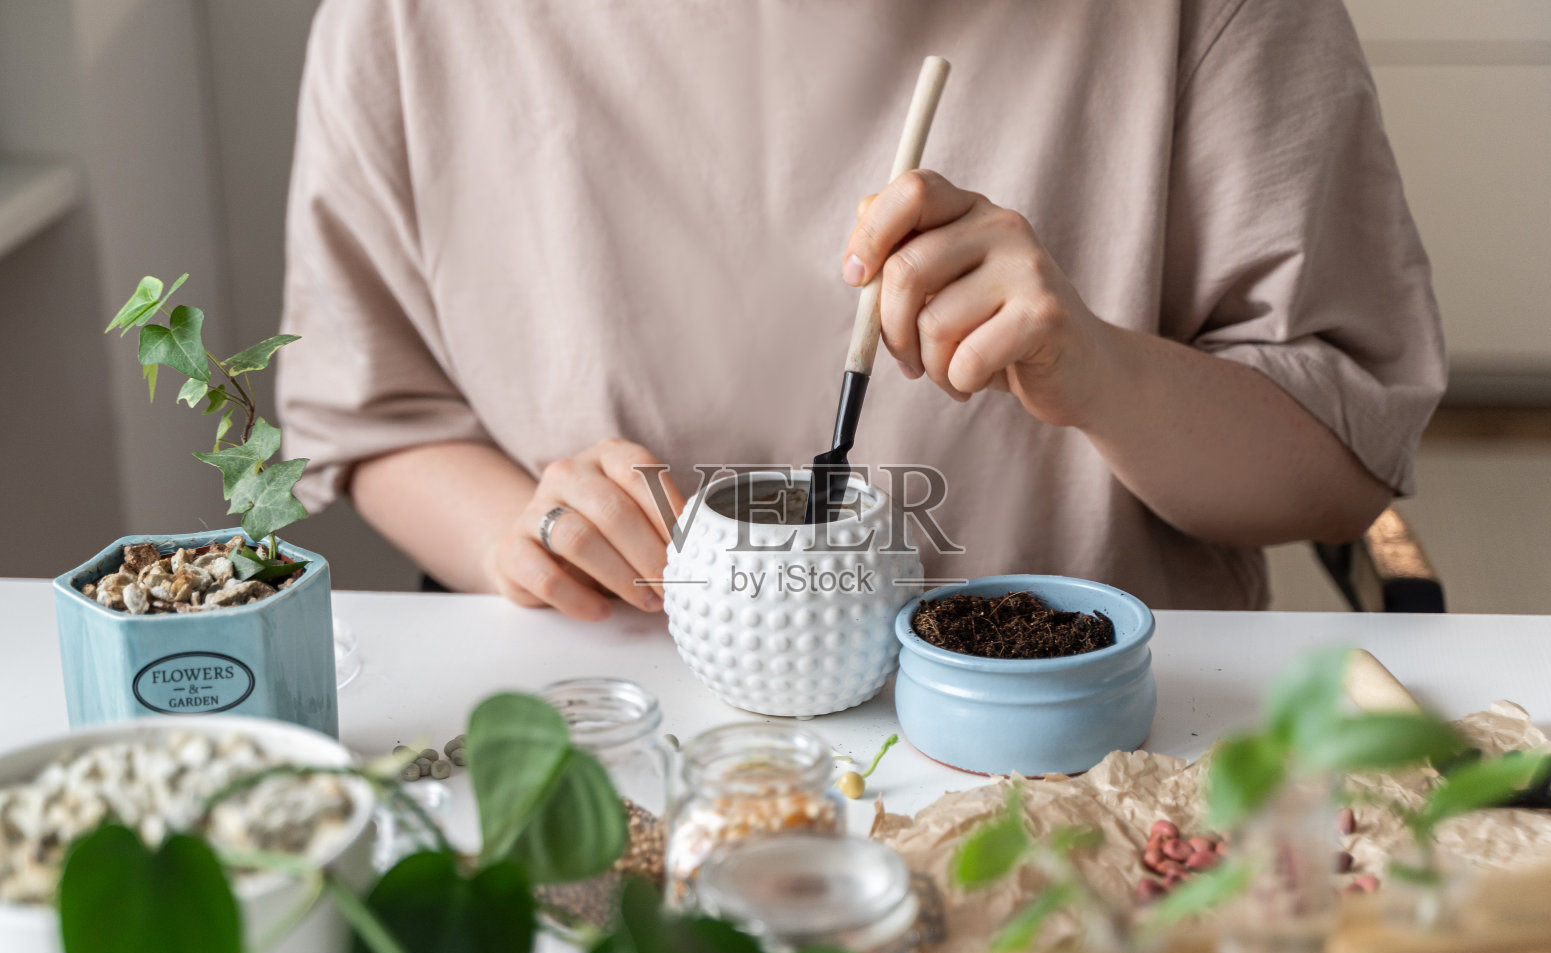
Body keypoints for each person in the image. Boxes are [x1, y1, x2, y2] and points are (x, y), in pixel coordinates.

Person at [278, 0, 1445, 619]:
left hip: (1084, 760)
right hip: (624, 736)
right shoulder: (407, 26)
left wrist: (1099, 372)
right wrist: (518, 536)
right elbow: (380, 415)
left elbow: (1343, 462)